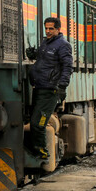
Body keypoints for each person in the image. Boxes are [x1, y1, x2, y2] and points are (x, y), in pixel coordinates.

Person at [25, 17, 73, 159]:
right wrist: (33, 54)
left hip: (50, 90)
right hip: (39, 87)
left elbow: (67, 67)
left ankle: (42, 153)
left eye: (51, 29)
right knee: (34, 121)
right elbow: (43, 61)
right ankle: (37, 151)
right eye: (46, 28)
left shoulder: (63, 45)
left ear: (58, 29)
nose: (48, 31)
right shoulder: (45, 43)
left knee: (37, 123)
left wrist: (62, 86)